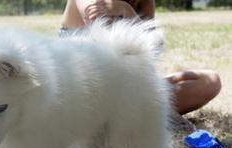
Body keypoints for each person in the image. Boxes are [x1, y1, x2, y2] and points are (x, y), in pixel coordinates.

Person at [60, 0, 222, 121]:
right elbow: (104, 56)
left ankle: (148, 112)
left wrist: (126, 8)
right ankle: (150, 113)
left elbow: (150, 52)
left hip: (126, 90)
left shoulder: (143, 2)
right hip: (88, 94)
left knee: (210, 82)